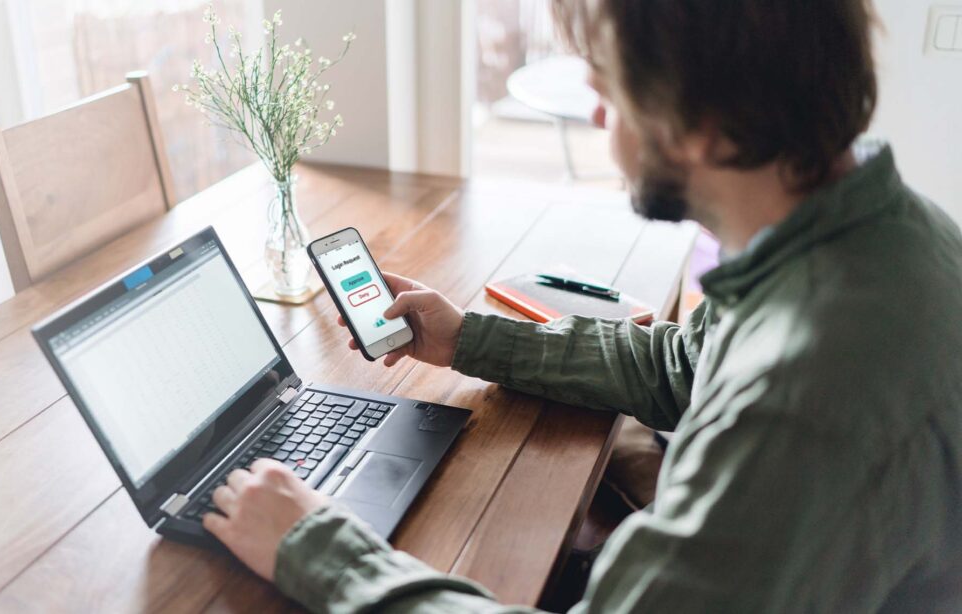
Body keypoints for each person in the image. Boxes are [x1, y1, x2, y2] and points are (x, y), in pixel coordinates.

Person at [202, 0, 962, 611]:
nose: (601, 121)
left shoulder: (806, 396)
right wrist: (469, 339)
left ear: (694, 125)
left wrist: (323, 553)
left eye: (606, 91)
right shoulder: (867, 233)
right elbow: (682, 365)